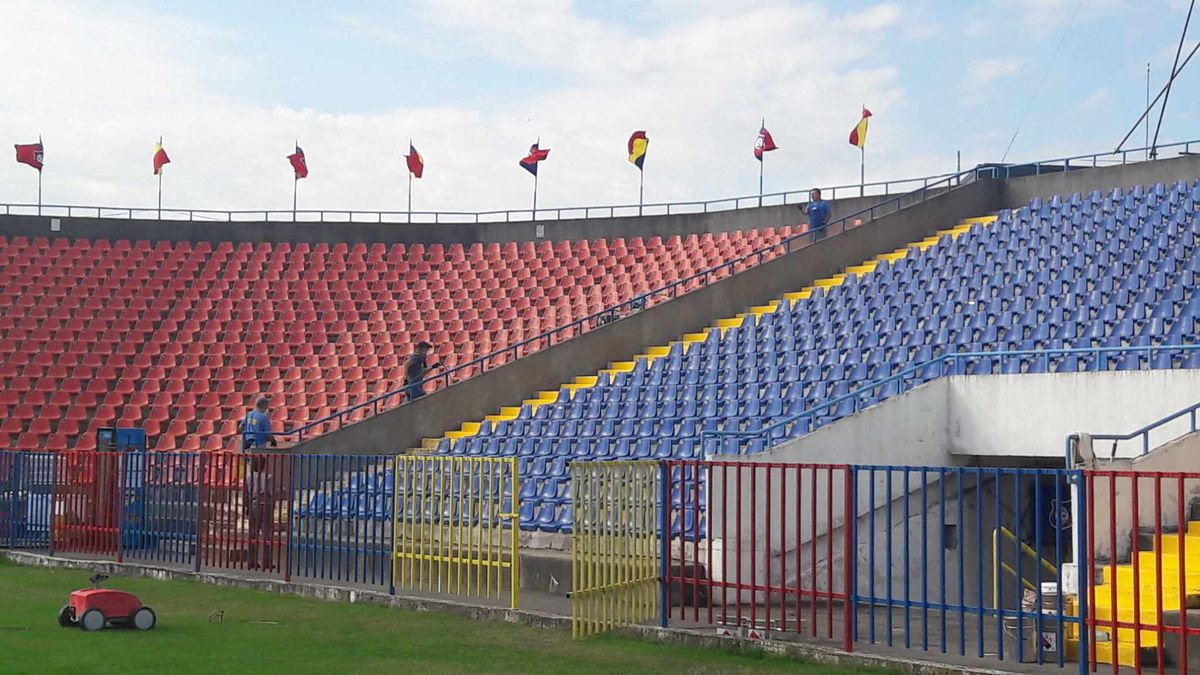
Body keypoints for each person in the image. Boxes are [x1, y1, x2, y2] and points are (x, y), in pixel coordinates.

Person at [243, 455, 275, 571]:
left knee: (253, 533)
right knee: (267, 534)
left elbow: (246, 493)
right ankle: (266, 560)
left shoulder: (248, 477)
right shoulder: (268, 477)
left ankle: (252, 561)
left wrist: (247, 506)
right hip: (265, 504)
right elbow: (270, 492)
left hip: (253, 504)